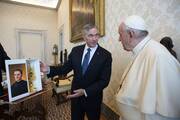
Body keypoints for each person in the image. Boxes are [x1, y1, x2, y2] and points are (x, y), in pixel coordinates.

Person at [41, 24, 112, 120]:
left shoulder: (106, 55)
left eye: (97, 35)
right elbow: (65, 68)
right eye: (90, 35)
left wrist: (85, 91)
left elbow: (104, 81)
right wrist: (49, 69)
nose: (95, 38)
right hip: (76, 96)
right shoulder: (76, 51)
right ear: (84, 37)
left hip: (93, 98)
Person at [116, 15, 180, 120]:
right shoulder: (142, 50)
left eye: (120, 34)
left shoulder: (158, 55)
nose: (119, 39)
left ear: (131, 34)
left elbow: (168, 110)